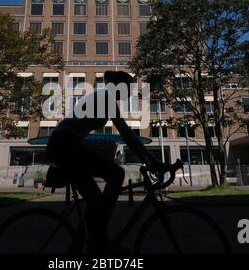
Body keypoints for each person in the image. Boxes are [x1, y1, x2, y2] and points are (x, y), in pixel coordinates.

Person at [46, 71, 182, 254]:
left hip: (66, 145)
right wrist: (152, 160)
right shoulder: (105, 98)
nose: (132, 91)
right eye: (130, 87)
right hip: (65, 146)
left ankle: (82, 245)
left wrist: (150, 159)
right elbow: (127, 135)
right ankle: (99, 242)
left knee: (96, 202)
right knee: (116, 174)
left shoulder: (104, 98)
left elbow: (127, 136)